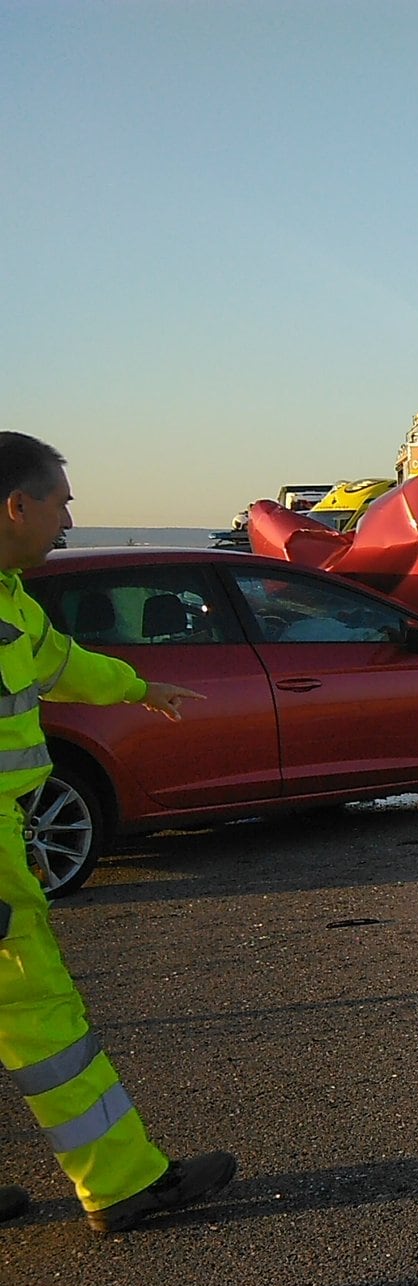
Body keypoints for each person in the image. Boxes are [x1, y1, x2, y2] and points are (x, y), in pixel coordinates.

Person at [0, 433, 236, 1235]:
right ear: (16, 506)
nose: (70, 518)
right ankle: (125, 1182)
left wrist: (140, 688)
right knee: (43, 1019)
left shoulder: (9, 600)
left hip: (9, 831)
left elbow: (60, 660)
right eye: (62, 502)